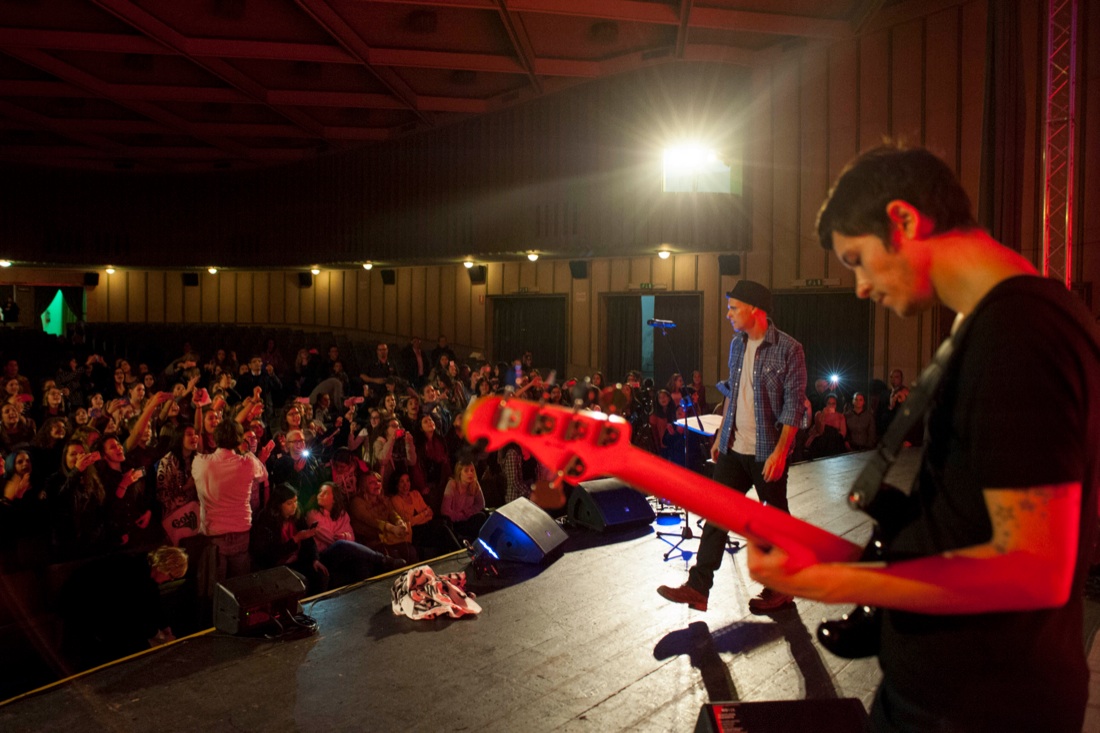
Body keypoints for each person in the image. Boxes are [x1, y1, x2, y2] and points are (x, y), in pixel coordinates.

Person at [746, 144, 1100, 733]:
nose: (860, 287)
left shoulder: (1019, 334)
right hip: (950, 695)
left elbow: (1031, 569)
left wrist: (830, 583)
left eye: (858, 259)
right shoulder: (996, 324)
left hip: (979, 708)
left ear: (905, 221)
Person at [657, 279, 806, 614]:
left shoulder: (789, 349)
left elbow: (794, 407)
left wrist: (781, 452)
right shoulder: (737, 345)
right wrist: (721, 435)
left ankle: (782, 587)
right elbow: (733, 394)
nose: (728, 314)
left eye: (733, 308)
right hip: (733, 449)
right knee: (716, 515)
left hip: (767, 452)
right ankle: (698, 588)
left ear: (754, 310)